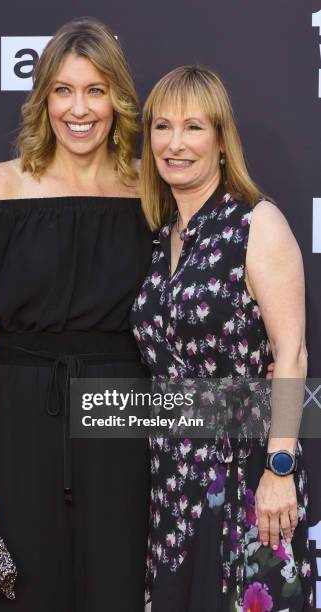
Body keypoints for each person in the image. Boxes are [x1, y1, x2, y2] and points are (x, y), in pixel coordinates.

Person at [0, 18, 153, 612]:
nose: (78, 109)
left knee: (120, 589)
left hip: (124, 412)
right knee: (29, 592)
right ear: (43, 99)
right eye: (63, 90)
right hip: (24, 411)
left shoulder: (149, 189)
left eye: (95, 89)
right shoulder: (4, 187)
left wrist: (273, 401)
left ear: (117, 98)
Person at [130, 66, 313, 611]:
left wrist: (278, 468)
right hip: (172, 475)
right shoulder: (163, 236)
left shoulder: (257, 224)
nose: (175, 143)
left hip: (248, 467)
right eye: (162, 127)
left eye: (193, 127)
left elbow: (292, 352)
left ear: (220, 139)